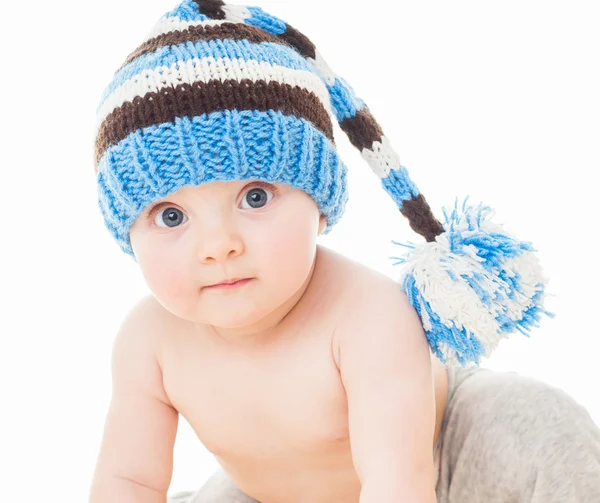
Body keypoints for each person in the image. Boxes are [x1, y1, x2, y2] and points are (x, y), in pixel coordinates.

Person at [88, 0, 600, 501]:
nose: (220, 246)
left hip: (443, 462)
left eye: (255, 197)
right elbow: (128, 481)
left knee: (533, 423)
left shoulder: (367, 317)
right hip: (274, 494)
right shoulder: (148, 342)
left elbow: (398, 482)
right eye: (171, 216)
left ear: (319, 199)